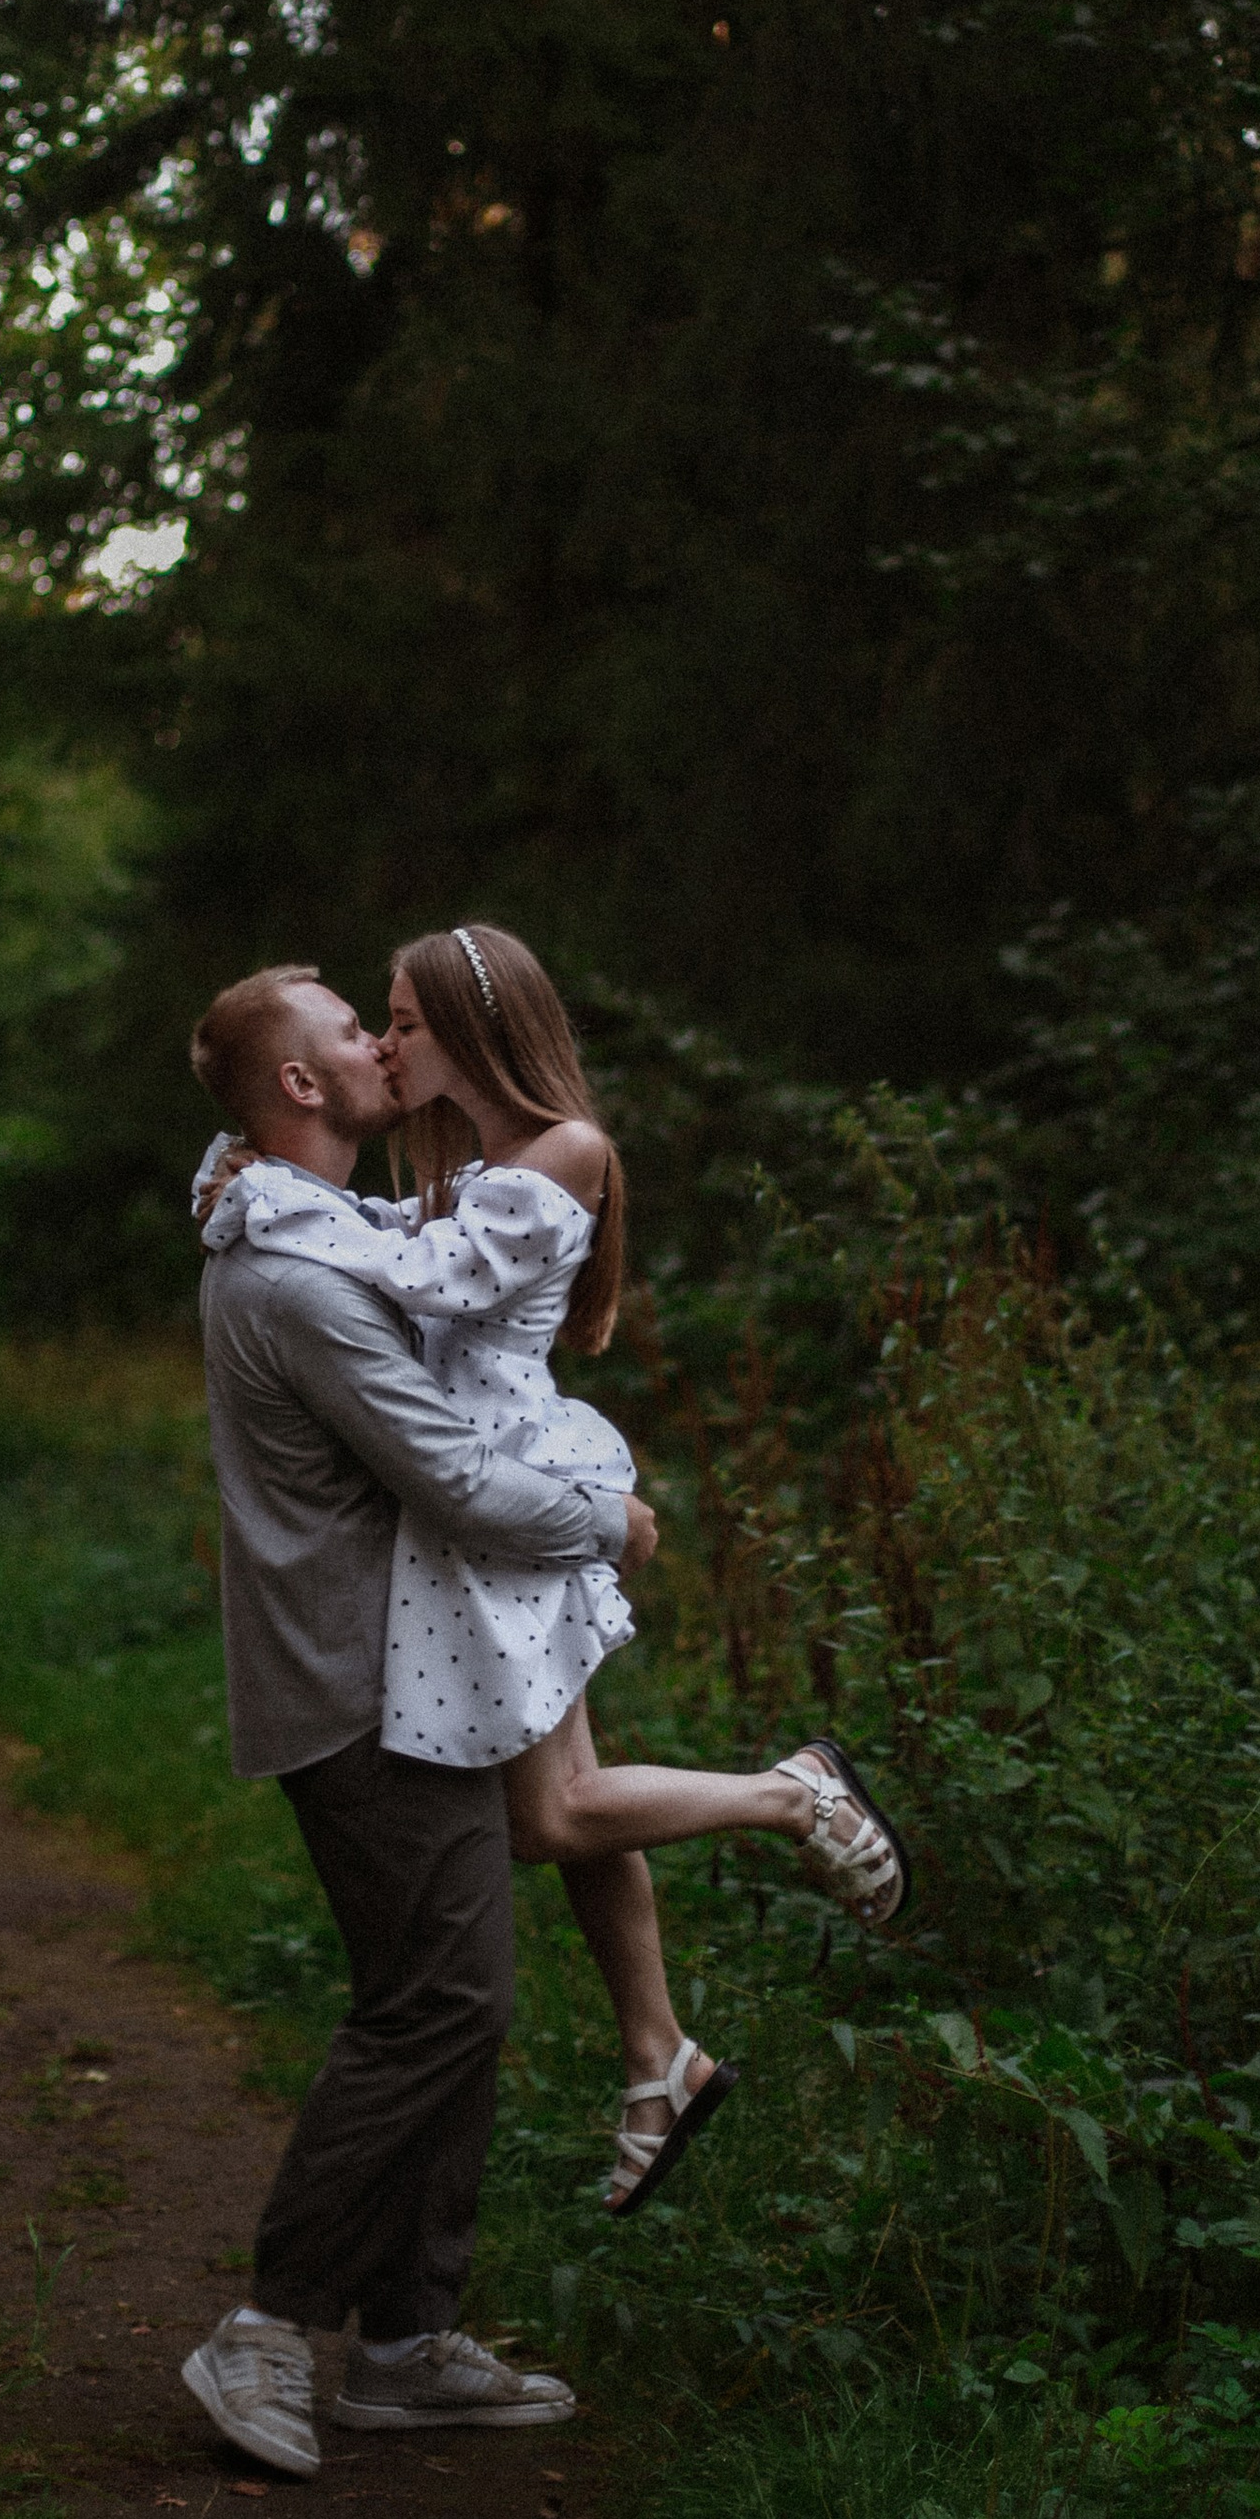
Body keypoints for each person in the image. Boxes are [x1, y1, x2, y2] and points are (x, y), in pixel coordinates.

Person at [196, 920, 909, 2220]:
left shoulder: (563, 1152)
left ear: (470, 1027)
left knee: (554, 1814)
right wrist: (253, 1178)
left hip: (517, 1499)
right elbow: (385, 1245)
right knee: (560, 1808)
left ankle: (793, 1797)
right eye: (374, 1024)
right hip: (483, 1516)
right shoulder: (466, 1167)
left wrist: (265, 1203)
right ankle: (658, 2059)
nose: (385, 1041)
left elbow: (423, 1278)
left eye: (400, 1020)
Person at [176, 961, 655, 2481]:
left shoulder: (308, 1227)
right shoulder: (301, 1281)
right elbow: (452, 1474)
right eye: (350, 1033)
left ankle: (402, 2342)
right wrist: (613, 1517)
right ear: (303, 1089)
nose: (383, 1044)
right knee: (438, 2006)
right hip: (360, 1691)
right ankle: (266, 2328)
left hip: (392, 1670)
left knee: (453, 2002)